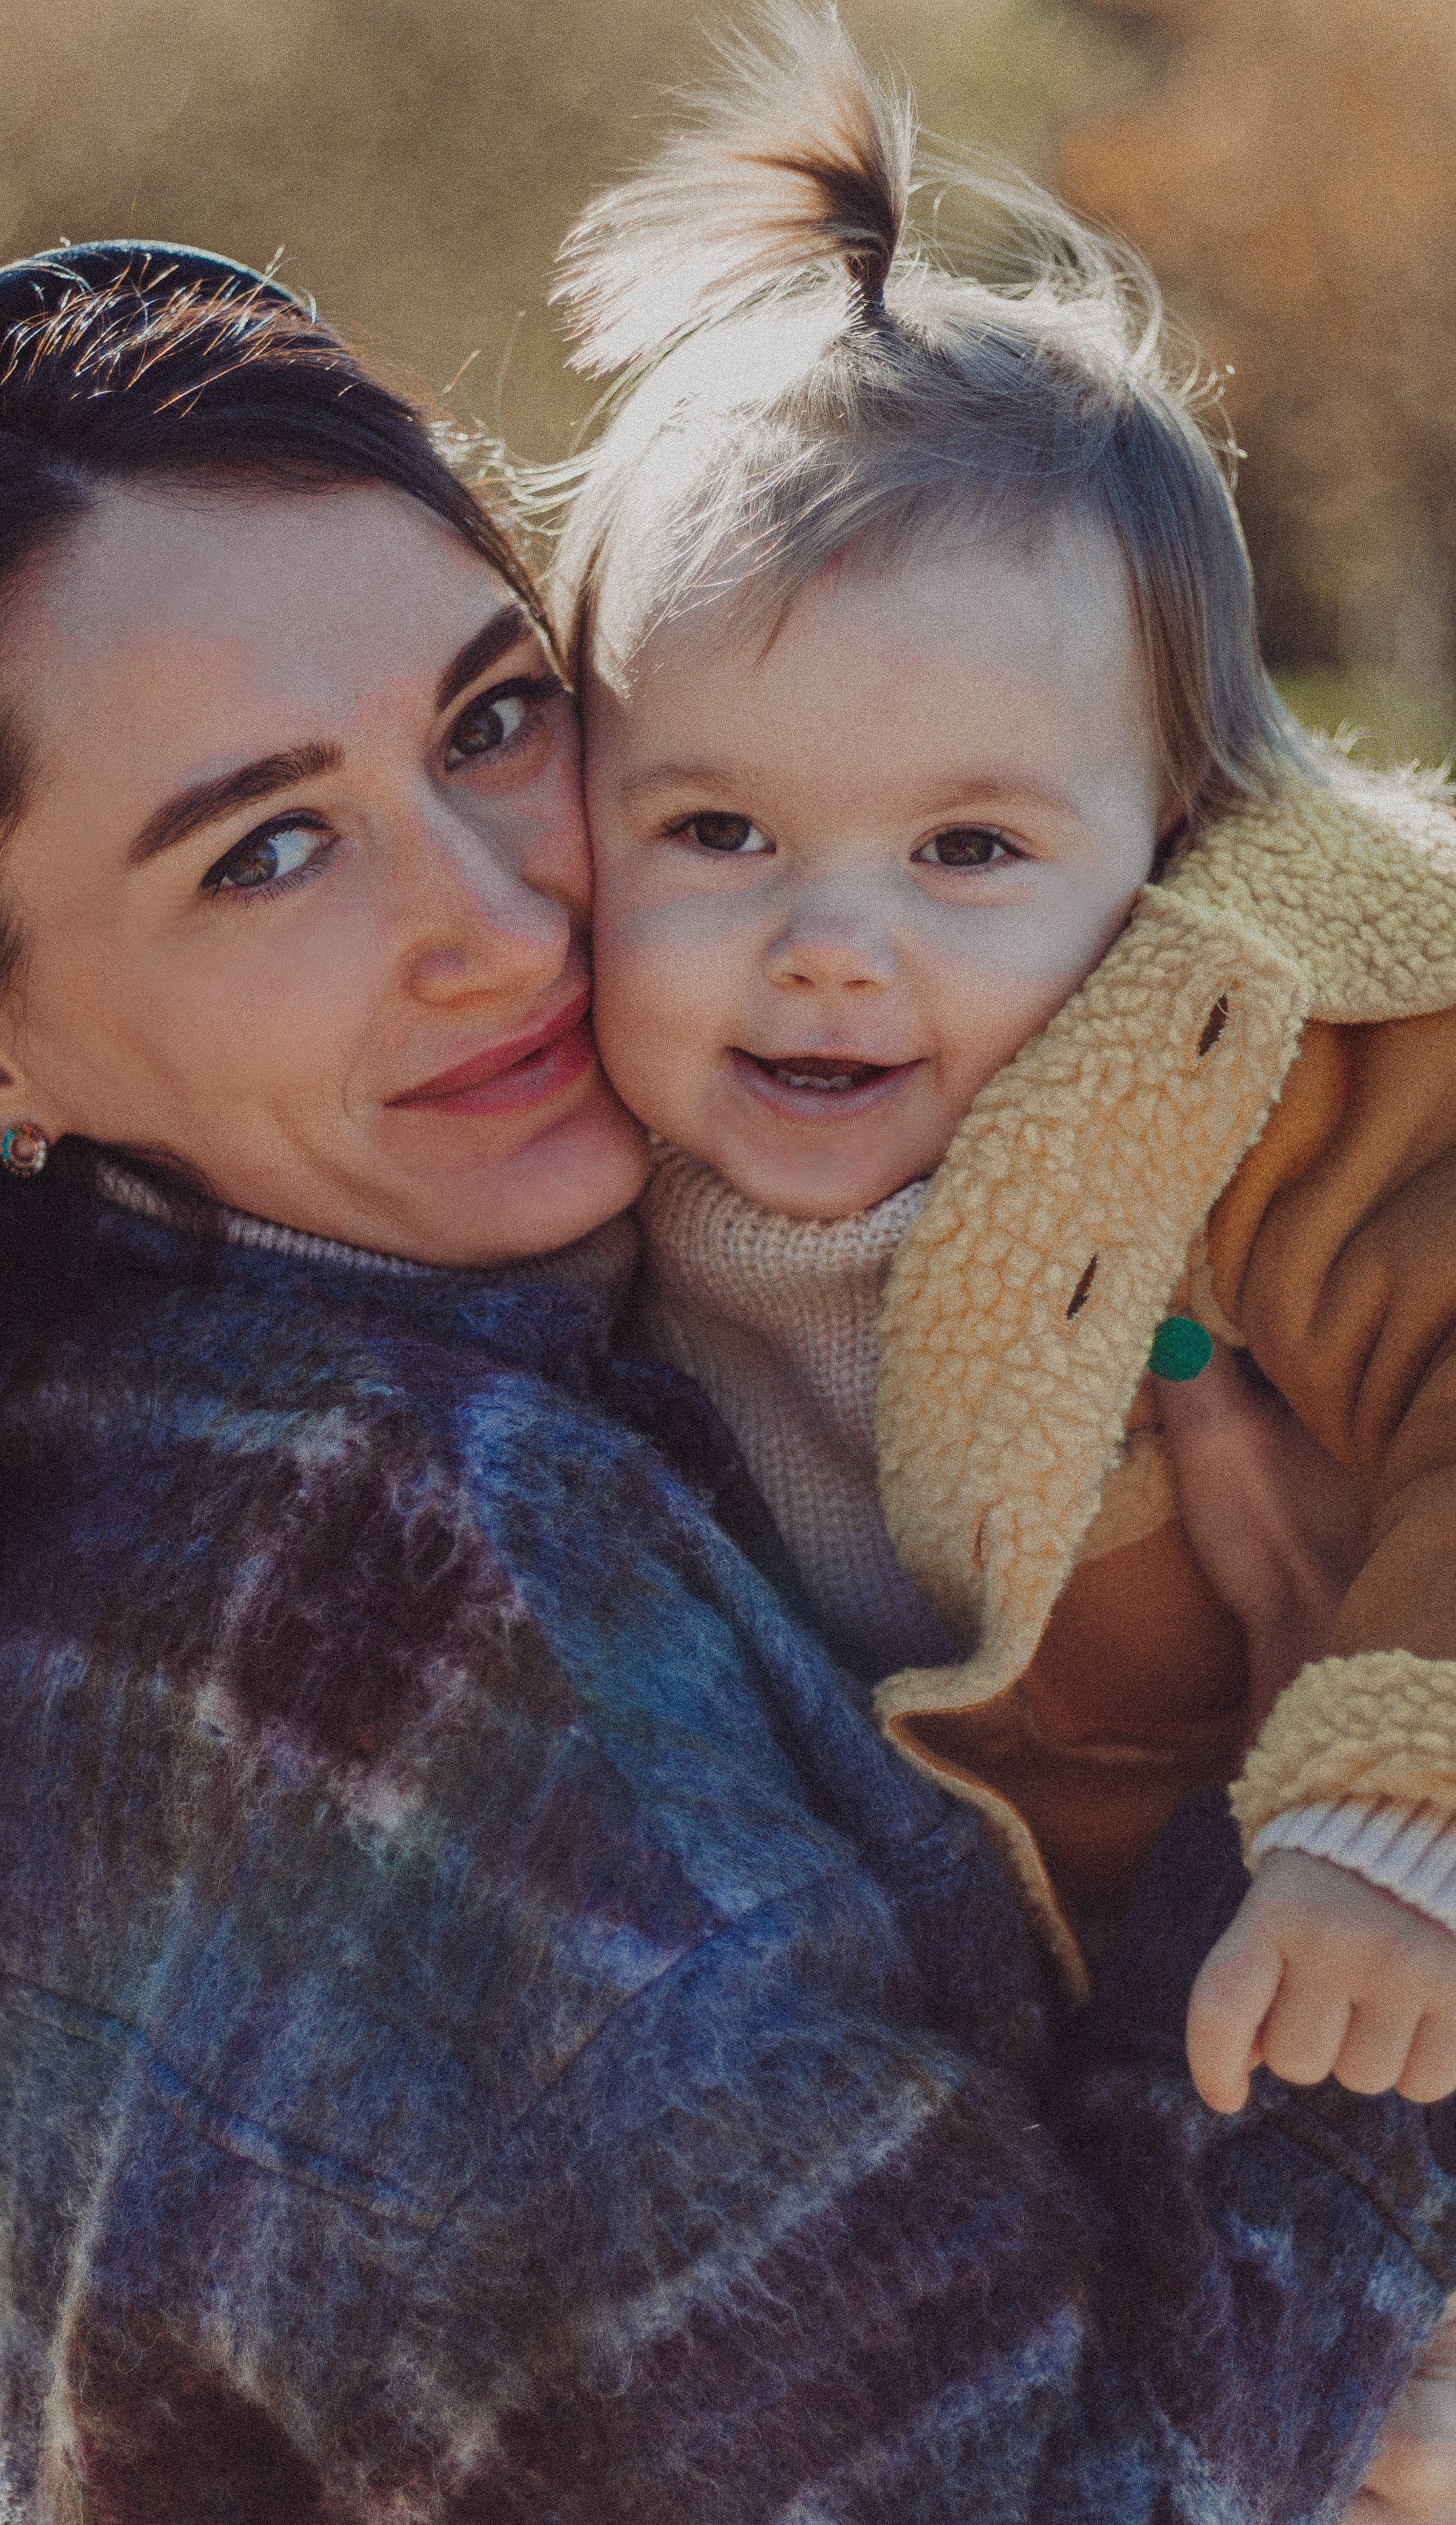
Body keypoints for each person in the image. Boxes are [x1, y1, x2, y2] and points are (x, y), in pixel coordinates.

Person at [0, 243, 1451, 2524]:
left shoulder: (187, 1408)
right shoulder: (404, 1571)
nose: (496, 909)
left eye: (489, 721)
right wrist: (1318, 1791)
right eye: (268, 849)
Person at [555, 0, 1456, 2123]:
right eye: (716, 832)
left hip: (1342, 1942)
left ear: (1175, 836)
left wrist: (1401, 1821)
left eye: (968, 849)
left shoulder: (1259, 1093)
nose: (829, 950)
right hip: (992, 2037)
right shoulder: (559, 1172)